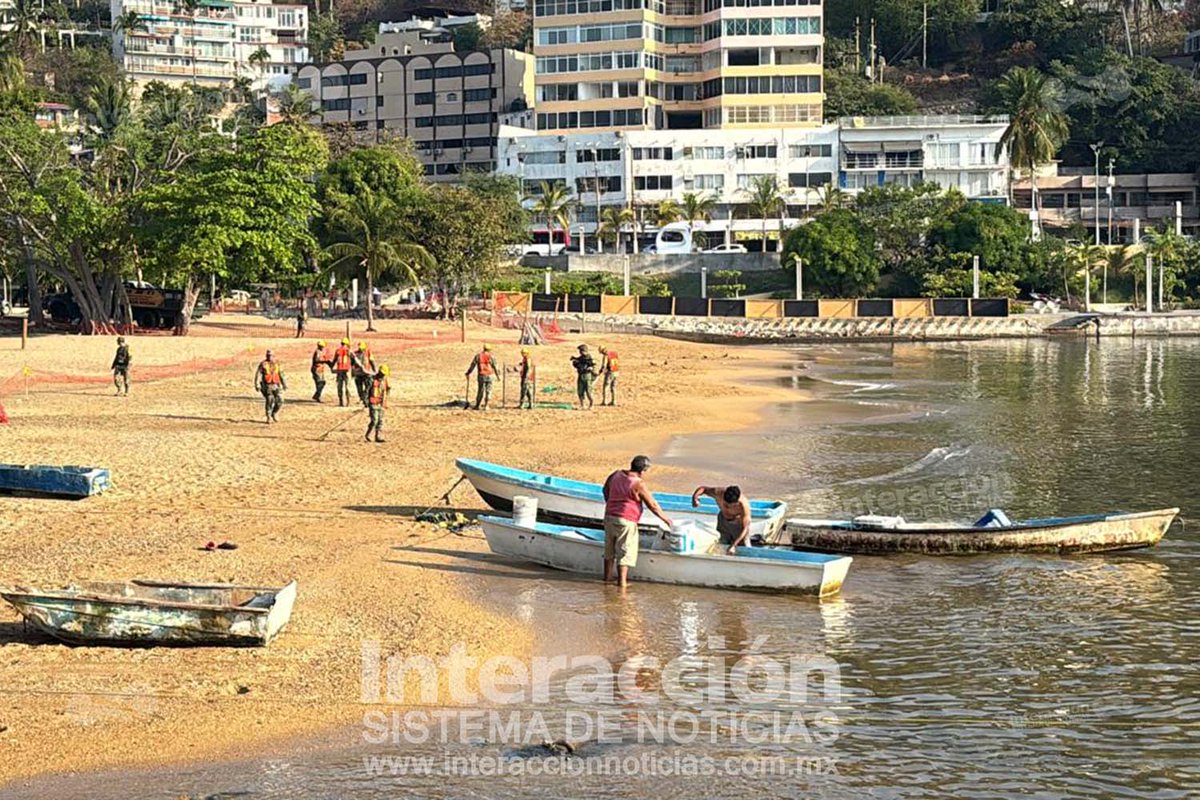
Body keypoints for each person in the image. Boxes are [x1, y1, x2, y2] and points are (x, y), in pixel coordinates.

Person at [602, 455, 672, 588]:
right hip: (626, 520)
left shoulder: (616, 474)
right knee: (625, 552)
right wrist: (666, 519)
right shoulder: (638, 484)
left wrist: (611, 504)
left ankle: (607, 578)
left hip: (609, 516)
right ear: (643, 471)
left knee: (609, 550)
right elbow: (652, 505)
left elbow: (605, 490)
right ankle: (621, 584)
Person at [691, 485, 752, 554]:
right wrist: (695, 498)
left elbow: (745, 528)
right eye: (725, 504)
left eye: (729, 506)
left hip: (737, 525)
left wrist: (734, 545)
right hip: (722, 521)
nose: (726, 506)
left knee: (743, 549)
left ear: (736, 503)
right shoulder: (718, 492)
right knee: (720, 545)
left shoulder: (744, 506)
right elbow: (703, 489)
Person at [254, 349, 286, 424]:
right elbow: (258, 374)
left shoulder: (277, 364)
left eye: (271, 356)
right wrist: (257, 384)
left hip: (276, 385)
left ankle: (274, 413)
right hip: (267, 385)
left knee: (280, 400)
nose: (269, 357)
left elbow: (281, 374)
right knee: (269, 400)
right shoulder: (263, 364)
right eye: (268, 355)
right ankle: (268, 416)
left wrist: (284, 384)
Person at [465, 343, 498, 410]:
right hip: (490, 375)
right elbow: (495, 367)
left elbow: (473, 365)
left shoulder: (478, 356)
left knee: (480, 390)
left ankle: (477, 405)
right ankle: (486, 405)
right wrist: (498, 375)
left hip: (481, 375)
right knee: (489, 390)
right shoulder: (491, 356)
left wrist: (468, 373)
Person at [365, 365, 390, 443]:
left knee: (380, 421)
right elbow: (367, 391)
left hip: (381, 403)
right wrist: (366, 401)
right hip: (373, 403)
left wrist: (385, 400)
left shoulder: (385, 380)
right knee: (374, 420)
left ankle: (378, 436)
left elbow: (387, 390)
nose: (382, 375)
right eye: (381, 373)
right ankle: (368, 434)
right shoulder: (372, 379)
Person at [570, 344, 597, 409]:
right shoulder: (581, 358)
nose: (580, 352)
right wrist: (575, 360)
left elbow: (593, 366)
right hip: (581, 375)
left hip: (587, 376)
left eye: (581, 351)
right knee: (580, 391)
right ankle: (582, 405)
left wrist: (591, 368)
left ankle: (591, 405)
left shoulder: (589, 358)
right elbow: (578, 362)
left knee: (589, 392)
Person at [332, 337, 353, 406]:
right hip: (347, 370)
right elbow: (353, 361)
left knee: (339, 386)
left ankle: (341, 402)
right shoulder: (349, 351)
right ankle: (348, 402)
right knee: (348, 387)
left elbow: (334, 360)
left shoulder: (338, 351)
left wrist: (331, 367)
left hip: (339, 371)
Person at [352, 341, 374, 406]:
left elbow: (372, 361)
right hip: (358, 373)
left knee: (368, 386)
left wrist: (374, 370)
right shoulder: (355, 354)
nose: (361, 349)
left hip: (366, 373)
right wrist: (353, 372)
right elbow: (352, 364)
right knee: (359, 388)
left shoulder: (368, 352)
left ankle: (365, 398)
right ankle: (362, 399)